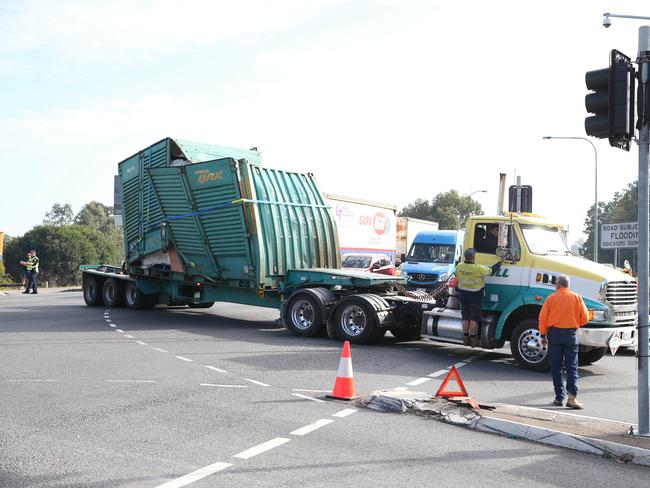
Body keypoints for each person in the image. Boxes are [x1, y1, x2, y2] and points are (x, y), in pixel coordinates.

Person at [538, 274, 588, 409]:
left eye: (555, 283)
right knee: (572, 367)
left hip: (554, 334)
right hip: (570, 334)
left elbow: (542, 318)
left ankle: (559, 398)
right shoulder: (576, 297)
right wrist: (574, 323)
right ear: (568, 285)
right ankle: (572, 398)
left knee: (556, 367)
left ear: (558, 284)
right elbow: (585, 318)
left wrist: (543, 335)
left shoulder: (551, 298)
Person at [455, 248, 502, 347]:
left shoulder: (459, 266)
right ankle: (473, 339)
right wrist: (500, 262)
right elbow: (491, 271)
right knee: (473, 319)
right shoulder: (478, 268)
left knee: (465, 318)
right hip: (474, 296)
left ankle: (465, 338)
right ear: (473, 257)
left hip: (463, 295)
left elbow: (457, 277)